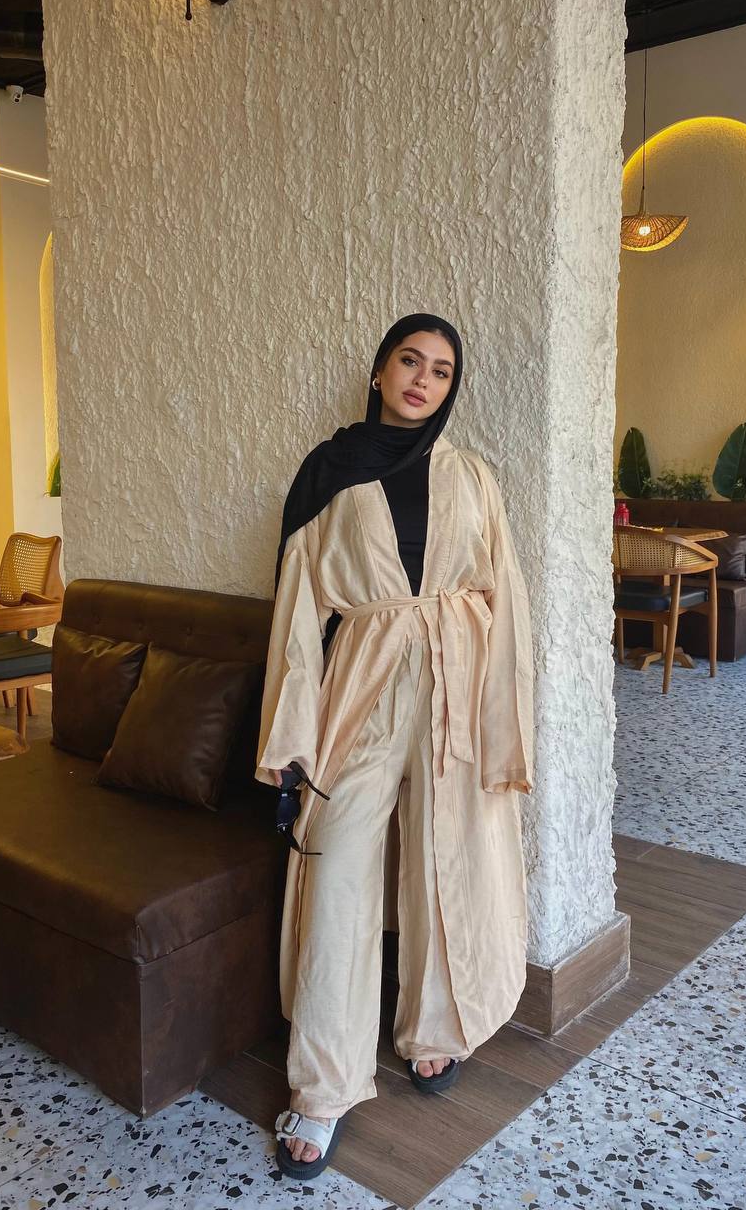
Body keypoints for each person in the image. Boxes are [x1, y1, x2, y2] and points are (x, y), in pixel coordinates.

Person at [255, 313, 534, 1179]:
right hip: (365, 684)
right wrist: (292, 740)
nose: (423, 379)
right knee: (338, 865)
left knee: (446, 854)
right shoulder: (329, 472)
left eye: (442, 370)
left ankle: (434, 1026)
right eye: (410, 361)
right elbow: (299, 615)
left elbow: (505, 597)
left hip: (456, 681)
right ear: (379, 371)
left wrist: (503, 720)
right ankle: (323, 1085)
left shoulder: (471, 475)